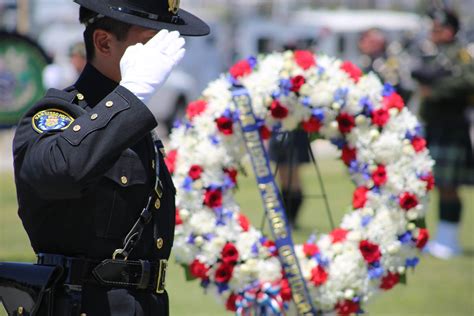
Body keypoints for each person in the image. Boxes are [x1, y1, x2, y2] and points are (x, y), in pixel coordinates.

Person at [12, 0, 209, 315]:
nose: (159, 60)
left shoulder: (135, 126)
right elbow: (61, 171)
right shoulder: (57, 116)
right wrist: (131, 94)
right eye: (147, 44)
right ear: (104, 41)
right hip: (80, 304)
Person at [412, 9, 474, 259]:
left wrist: (435, 90)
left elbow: (468, 83)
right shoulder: (431, 53)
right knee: (433, 183)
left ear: (449, 30)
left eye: (437, 29)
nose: (432, 33)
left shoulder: (462, 54)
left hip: (452, 126)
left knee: (449, 185)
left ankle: (449, 240)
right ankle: (438, 237)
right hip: (433, 125)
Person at [358, 28, 413, 102]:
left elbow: (396, 84)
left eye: (372, 42)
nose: (366, 45)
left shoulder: (387, 60)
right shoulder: (366, 60)